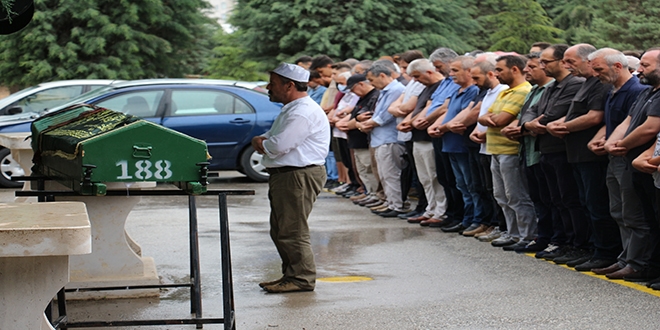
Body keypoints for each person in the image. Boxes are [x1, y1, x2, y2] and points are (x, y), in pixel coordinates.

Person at [252, 63, 330, 293]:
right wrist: (263, 142)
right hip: (289, 174)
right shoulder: (292, 108)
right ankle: (291, 275)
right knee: (281, 229)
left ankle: (301, 278)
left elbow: (278, 144)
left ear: (289, 85)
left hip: (297, 175)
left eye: (273, 84)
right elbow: (271, 139)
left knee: (292, 230)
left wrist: (261, 143)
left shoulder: (302, 111)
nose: (268, 87)